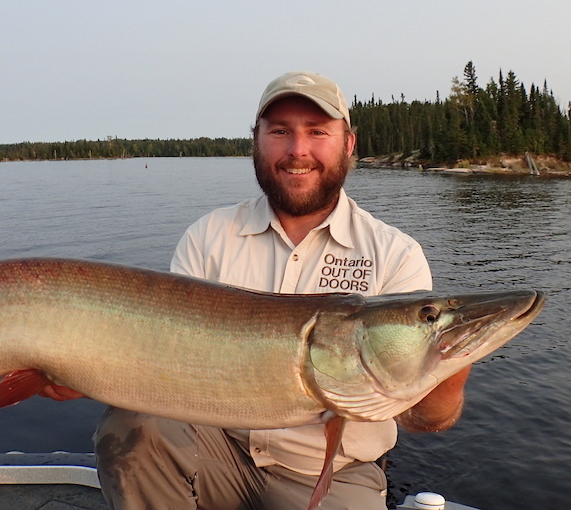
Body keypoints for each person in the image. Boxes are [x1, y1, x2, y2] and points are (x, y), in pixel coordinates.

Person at [46, 71, 470, 509]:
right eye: (280, 131)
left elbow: (421, 417)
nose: (297, 150)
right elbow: (161, 365)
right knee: (132, 426)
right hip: (214, 452)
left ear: (348, 144)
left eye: (317, 131)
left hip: (332, 473)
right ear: (257, 140)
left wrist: (446, 378)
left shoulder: (394, 254)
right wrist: (85, 369)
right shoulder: (209, 236)